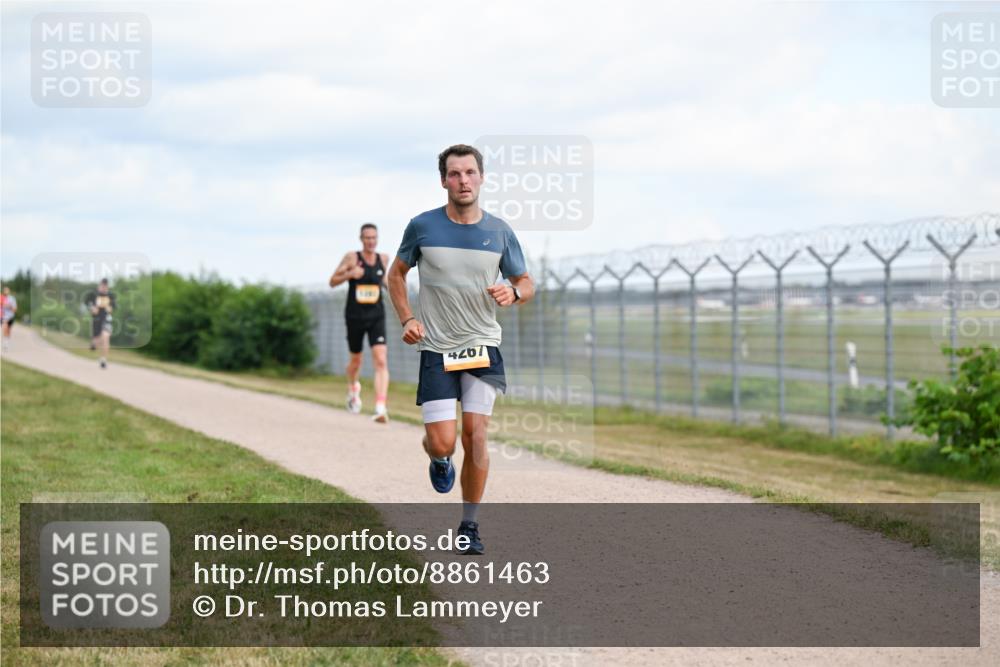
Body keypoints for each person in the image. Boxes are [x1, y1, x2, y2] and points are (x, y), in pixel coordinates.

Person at [387, 144, 534, 555]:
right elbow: (395, 276)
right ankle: (438, 459)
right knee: (443, 442)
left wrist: (514, 292)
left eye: (470, 172)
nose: (463, 180)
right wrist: (408, 319)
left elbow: (526, 282)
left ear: (482, 178)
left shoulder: (500, 232)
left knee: (477, 434)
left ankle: (469, 525)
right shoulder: (422, 227)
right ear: (443, 181)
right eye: (455, 174)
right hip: (436, 348)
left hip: (482, 345)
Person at [329, 223, 391, 423]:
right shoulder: (352, 258)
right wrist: (349, 274)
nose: (371, 241)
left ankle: (381, 407)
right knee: (356, 361)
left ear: (377, 239)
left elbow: (388, 284)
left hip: (376, 316)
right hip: (355, 316)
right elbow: (332, 281)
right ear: (361, 239)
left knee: (381, 359)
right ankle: (353, 387)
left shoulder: (383, 259)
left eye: (374, 237)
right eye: (367, 238)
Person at [84, 279, 115, 369]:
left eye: (106, 286)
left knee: (106, 336)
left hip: (106, 319)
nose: (104, 288)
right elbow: (87, 304)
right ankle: (94, 344)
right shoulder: (93, 295)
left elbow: (113, 307)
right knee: (96, 341)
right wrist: (92, 308)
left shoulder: (110, 296)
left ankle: (103, 360)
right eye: (102, 286)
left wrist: (110, 308)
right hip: (96, 320)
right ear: (99, 286)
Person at [1, 286, 17, 351]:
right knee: (5, 328)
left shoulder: (12, 299)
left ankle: (7, 343)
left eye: (7, 290)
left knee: (8, 331)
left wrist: (9, 306)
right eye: (5, 290)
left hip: (10, 316)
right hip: (3, 316)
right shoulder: (1, 297)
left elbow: (15, 309)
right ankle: (5, 344)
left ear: (9, 291)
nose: (6, 292)